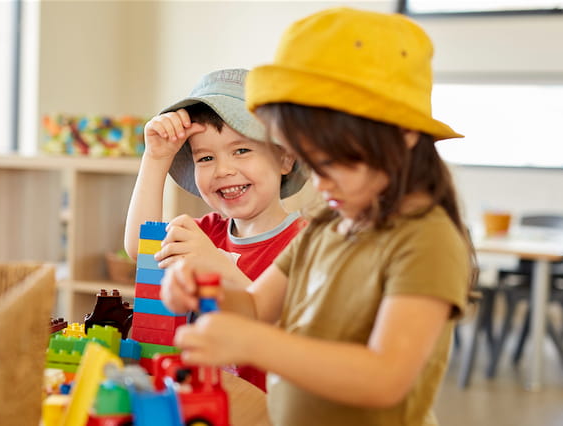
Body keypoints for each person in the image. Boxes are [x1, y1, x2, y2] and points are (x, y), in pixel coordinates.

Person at [161, 8, 473, 426]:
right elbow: (255, 306)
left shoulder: (425, 240)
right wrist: (207, 291)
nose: (319, 182)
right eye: (308, 160)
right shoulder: (328, 224)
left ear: (400, 136)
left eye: (329, 162)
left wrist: (255, 345)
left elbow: (385, 377)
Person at [124, 68, 308, 391]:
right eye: (206, 157)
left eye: (241, 150)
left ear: (285, 159)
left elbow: (301, 335)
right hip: (206, 399)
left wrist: (221, 267)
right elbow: (142, 250)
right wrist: (156, 158)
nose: (223, 170)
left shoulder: (306, 242)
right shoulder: (206, 233)